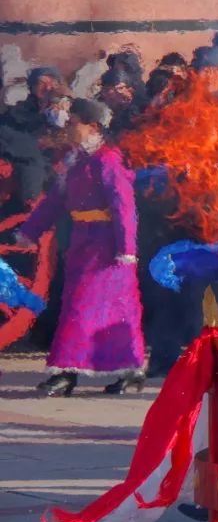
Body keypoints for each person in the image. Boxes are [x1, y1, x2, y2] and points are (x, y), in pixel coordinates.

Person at [18, 98, 145, 396]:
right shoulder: (75, 161)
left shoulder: (109, 160)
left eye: (75, 122)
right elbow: (54, 200)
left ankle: (66, 370)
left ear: (93, 126)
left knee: (89, 309)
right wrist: (30, 231)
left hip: (107, 249)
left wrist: (126, 248)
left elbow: (123, 206)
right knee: (100, 311)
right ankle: (127, 368)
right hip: (82, 244)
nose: (69, 127)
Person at [7, 67, 62, 136]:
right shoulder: (21, 108)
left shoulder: (61, 109)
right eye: (42, 83)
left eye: (53, 84)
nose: (47, 88)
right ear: (33, 85)